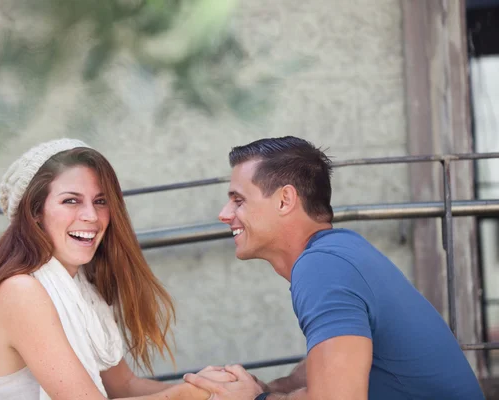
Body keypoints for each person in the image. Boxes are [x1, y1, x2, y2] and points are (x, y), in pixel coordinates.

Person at [183, 136, 485, 400]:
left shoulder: (321, 267)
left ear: (285, 200)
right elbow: (335, 359)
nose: (225, 214)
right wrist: (263, 387)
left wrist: (258, 399)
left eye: (238, 200)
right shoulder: (340, 251)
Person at [0, 138, 233, 400]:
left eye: (100, 201)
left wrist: (206, 383)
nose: (91, 216)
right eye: (71, 201)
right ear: (35, 212)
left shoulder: (82, 289)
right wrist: (198, 393)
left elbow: (124, 387)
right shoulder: (21, 291)